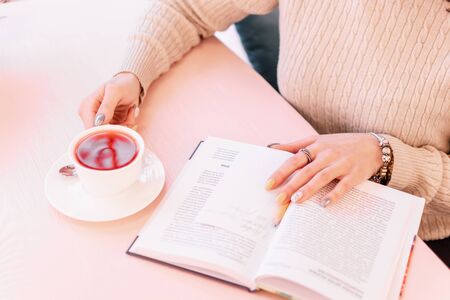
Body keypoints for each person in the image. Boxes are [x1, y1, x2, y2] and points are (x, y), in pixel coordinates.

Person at [78, 0, 449, 259]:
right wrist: (132, 74)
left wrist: (386, 157)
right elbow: (188, 7)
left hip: (411, 226)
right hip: (284, 184)